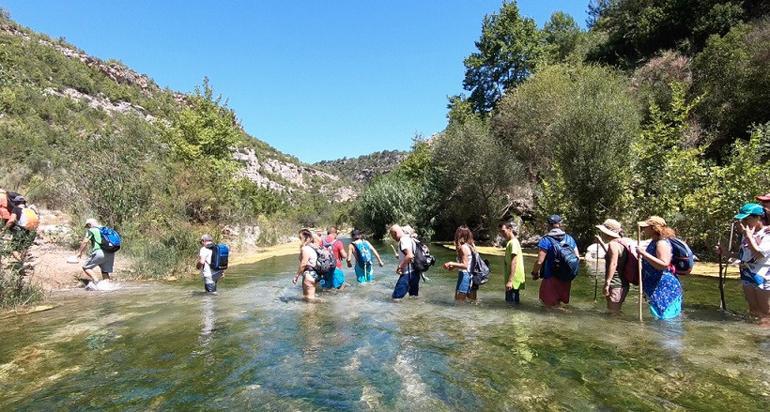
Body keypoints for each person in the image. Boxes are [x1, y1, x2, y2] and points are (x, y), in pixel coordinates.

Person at [636, 216, 683, 320]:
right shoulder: (654, 242)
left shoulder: (661, 243)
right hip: (656, 285)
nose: (643, 230)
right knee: (660, 317)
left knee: (666, 319)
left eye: (646, 227)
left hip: (664, 286)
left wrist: (644, 254)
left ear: (653, 228)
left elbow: (663, 264)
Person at [530, 215, 579, 308]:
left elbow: (540, 261)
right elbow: (577, 257)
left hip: (551, 277)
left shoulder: (546, 240)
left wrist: (535, 273)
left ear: (548, 225)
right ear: (560, 224)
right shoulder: (570, 239)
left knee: (548, 307)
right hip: (566, 278)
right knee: (560, 305)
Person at [733, 203, 770, 326]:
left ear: (758, 217)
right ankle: (751, 338)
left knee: (765, 313)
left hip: (763, 275)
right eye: (743, 219)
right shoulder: (748, 233)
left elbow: (759, 254)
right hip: (747, 274)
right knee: (753, 310)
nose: (744, 222)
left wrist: (748, 236)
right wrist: (725, 252)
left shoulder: (767, 233)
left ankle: (763, 340)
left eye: (747, 219)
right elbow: (745, 256)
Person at [595, 219, 630, 314]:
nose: (601, 233)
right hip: (622, 284)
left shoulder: (613, 244)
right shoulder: (620, 243)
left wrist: (607, 283)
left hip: (616, 284)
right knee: (615, 311)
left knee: (613, 313)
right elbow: (613, 257)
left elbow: (614, 263)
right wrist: (601, 243)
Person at [443, 225, 477, 303]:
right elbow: (469, 264)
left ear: (460, 235)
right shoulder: (471, 246)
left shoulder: (463, 247)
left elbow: (465, 266)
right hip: (472, 277)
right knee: (472, 303)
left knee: (458, 303)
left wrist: (451, 263)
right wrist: (454, 266)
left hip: (465, 277)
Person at [76, 218, 115, 286]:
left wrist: (80, 252)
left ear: (89, 224)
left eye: (88, 226)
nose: (87, 228)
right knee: (105, 272)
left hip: (99, 252)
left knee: (86, 267)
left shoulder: (92, 230)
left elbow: (85, 241)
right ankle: (108, 287)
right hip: (111, 252)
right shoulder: (105, 229)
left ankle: (96, 282)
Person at [389, 224, 420, 300]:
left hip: (407, 274)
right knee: (413, 297)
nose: (394, 238)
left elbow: (409, 255)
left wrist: (400, 266)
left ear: (395, 233)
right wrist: (400, 257)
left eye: (393, 236)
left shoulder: (403, 240)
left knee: (395, 299)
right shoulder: (410, 239)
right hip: (415, 273)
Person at [3, 196, 38, 261]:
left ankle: (20, 262)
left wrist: (4, 230)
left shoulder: (16, 209)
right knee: (24, 249)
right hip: (32, 232)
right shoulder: (30, 210)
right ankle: (22, 264)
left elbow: (11, 221)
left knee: (13, 249)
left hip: (21, 231)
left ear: (15, 202)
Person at [499, 221, 525, 305]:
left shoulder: (513, 243)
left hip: (513, 279)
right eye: (500, 232)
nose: (502, 234)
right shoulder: (511, 242)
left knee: (511, 306)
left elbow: (514, 261)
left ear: (510, 229)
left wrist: (510, 280)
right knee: (512, 304)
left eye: (503, 231)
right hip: (513, 278)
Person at [294, 229, 321, 302]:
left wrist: (296, 276)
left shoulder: (305, 249)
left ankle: (312, 313)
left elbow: (303, 264)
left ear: (305, 238)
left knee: (308, 299)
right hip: (314, 275)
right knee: (311, 298)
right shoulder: (313, 247)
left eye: (300, 238)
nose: (300, 240)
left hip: (308, 275)